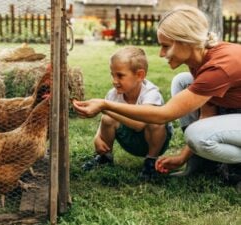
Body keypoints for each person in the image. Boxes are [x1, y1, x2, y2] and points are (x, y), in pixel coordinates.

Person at [73, 5, 241, 186]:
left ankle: (234, 167)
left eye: (166, 46)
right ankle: (200, 163)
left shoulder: (219, 67)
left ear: (186, 41)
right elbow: (208, 112)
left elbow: (164, 114)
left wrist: (105, 105)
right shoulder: (200, 61)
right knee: (182, 81)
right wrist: (182, 158)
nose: (161, 53)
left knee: (196, 135)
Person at [81, 46, 172, 180]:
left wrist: (104, 107)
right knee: (107, 118)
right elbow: (105, 117)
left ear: (139, 75)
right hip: (129, 140)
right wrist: (97, 137)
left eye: (120, 75)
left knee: (155, 122)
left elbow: (139, 125)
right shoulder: (113, 94)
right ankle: (105, 157)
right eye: (112, 74)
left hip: (154, 141)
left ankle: (150, 163)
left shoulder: (151, 94)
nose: (114, 81)